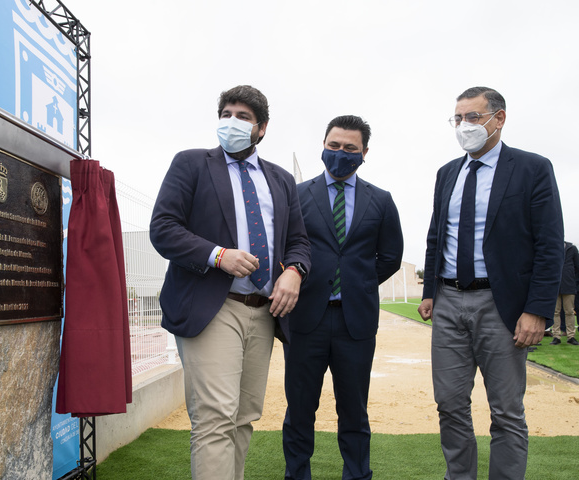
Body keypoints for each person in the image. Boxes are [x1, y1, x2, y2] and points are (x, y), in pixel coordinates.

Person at [150, 85, 311, 480]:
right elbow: (163, 228)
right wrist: (218, 255)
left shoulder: (282, 179)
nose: (231, 122)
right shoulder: (191, 164)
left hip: (264, 311)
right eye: (226, 114)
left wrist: (294, 270)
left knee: (243, 417)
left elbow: (299, 242)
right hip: (212, 308)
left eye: (243, 117)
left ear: (262, 129)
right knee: (215, 417)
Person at [418, 86, 564, 479]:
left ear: (498, 119)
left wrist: (536, 311)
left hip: (501, 305)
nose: (465, 126)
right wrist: (430, 292)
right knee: (449, 404)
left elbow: (549, 246)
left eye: (473, 117)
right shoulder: (447, 172)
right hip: (448, 301)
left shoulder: (532, 168)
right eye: (458, 118)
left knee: (505, 410)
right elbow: (437, 236)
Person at [283, 115, 403, 480]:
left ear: (364, 152)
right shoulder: (297, 195)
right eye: (333, 145)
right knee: (300, 409)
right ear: (323, 145)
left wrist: (358, 284)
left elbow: (391, 258)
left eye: (350, 148)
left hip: (356, 322)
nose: (340, 153)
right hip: (305, 320)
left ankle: (357, 474)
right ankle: (297, 473)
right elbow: (286, 247)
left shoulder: (381, 201)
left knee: (354, 410)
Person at [550, 241, 579, 345]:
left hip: (569, 285)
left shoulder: (573, 249)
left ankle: (571, 336)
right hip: (555, 286)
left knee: (569, 311)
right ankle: (556, 336)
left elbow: (577, 267)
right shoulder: (552, 247)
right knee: (555, 312)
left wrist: (573, 281)